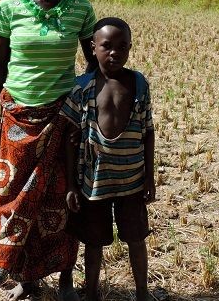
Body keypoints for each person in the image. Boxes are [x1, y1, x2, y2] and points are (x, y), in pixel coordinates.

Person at [0, 0, 97, 301]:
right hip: (15, 120)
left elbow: (94, 67)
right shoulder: (9, 8)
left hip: (62, 121)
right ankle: (26, 279)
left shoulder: (80, 8)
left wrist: (86, 110)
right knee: (14, 201)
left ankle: (64, 279)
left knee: (60, 202)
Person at [60, 17, 156, 301]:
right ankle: (91, 294)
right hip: (94, 184)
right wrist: (71, 186)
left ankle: (142, 293)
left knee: (137, 239)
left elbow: (148, 131)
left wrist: (150, 176)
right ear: (92, 48)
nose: (114, 53)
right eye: (106, 46)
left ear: (130, 48)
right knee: (93, 242)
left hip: (132, 180)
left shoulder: (138, 84)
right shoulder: (82, 87)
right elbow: (70, 137)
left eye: (122, 47)